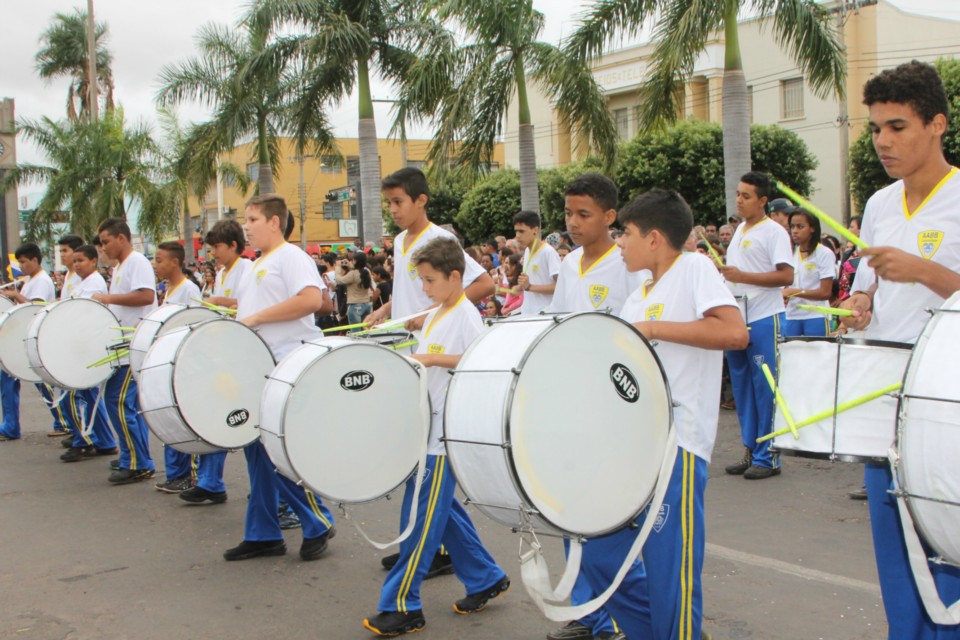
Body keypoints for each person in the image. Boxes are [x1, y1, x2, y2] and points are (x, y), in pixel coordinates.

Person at [574, 190, 747, 640]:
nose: (619, 244)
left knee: (672, 572)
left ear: (653, 238)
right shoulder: (637, 298)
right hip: (633, 447)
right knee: (599, 557)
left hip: (679, 445)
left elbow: (734, 332)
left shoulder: (694, 268)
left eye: (625, 234)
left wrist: (651, 330)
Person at [837, 60, 960, 640]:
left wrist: (926, 271)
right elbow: (869, 278)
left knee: (945, 532)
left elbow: (924, 277)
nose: (883, 141)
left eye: (898, 126)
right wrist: (861, 301)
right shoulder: (883, 204)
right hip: (883, 386)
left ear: (936, 124)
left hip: (945, 398)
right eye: (876, 128)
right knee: (892, 531)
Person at [363, 237, 509, 637]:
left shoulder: (465, 315)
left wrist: (429, 358)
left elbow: (479, 361)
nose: (423, 288)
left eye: (429, 280)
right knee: (439, 513)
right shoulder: (437, 313)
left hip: (446, 435)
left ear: (455, 277)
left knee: (421, 518)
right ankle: (485, 576)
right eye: (422, 281)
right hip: (427, 429)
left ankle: (402, 604)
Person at [365, 167, 495, 585]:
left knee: (425, 473)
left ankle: (417, 557)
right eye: (389, 203)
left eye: (399, 202)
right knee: (424, 476)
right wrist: (388, 312)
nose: (394, 210)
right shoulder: (402, 242)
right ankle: (475, 569)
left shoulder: (440, 240)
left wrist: (432, 317)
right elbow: (412, 298)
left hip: (435, 362)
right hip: (413, 359)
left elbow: (483, 284)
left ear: (421, 201)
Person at [547, 173, 641, 640]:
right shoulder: (567, 266)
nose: (573, 222)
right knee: (571, 510)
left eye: (583, 214)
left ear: (609, 216)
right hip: (575, 403)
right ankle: (589, 616)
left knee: (608, 517)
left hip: (614, 406)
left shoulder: (628, 266)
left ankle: (630, 616)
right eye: (568, 213)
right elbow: (560, 327)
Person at [223, 194, 335, 562]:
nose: (246, 227)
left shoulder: (291, 256)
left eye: (252, 219)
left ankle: (317, 520)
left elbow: (311, 301)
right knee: (256, 449)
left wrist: (256, 319)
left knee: (274, 449)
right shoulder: (257, 263)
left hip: (286, 364)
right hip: (259, 365)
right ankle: (263, 533)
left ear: (274, 221)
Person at [720, 172, 794, 480]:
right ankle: (751, 448)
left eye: (746, 195)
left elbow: (786, 277)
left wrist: (741, 276)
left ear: (762, 201)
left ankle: (769, 455)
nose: (739, 199)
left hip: (765, 317)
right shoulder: (739, 231)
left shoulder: (774, 232)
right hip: (738, 319)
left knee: (765, 388)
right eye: (738, 194)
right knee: (743, 388)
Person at [89, 219, 158, 484]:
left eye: (106, 241)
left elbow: (145, 296)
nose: (103, 247)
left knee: (118, 402)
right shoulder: (120, 267)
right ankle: (133, 455)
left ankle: (139, 462)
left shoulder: (137, 262)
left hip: (134, 344)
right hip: (122, 344)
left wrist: (107, 299)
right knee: (122, 403)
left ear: (121, 238)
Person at [58, 239, 120, 463]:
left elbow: (82, 313)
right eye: (74, 260)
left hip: (87, 345)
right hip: (81, 344)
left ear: (93, 261)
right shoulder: (81, 281)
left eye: (80, 260)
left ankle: (85, 441)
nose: (76, 264)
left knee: (75, 395)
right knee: (88, 396)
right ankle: (104, 441)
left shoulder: (93, 282)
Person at [0, 243, 67, 441]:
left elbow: (35, 307)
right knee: (10, 381)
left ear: (35, 261)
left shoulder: (42, 281)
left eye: (23, 262)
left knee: (43, 383)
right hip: (27, 336)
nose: (21, 267)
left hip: (36, 338)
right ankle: (11, 425)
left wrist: (15, 295)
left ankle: (63, 421)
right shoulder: (31, 280)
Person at [150, 241, 202, 493]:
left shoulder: (189, 290)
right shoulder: (169, 289)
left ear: (175, 262)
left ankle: (185, 475)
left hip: (184, 363)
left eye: (159, 260)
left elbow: (195, 324)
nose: (155, 264)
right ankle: (175, 473)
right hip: (168, 360)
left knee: (183, 419)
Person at [781, 208, 836, 337]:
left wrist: (794, 292)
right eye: (792, 226)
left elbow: (825, 292)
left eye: (800, 227)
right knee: (791, 354)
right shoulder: (790, 254)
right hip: (792, 315)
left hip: (816, 315)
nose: (795, 231)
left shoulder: (824, 254)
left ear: (812, 228)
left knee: (817, 355)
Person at [514, 210, 561, 315]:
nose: (517, 235)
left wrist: (530, 287)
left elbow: (560, 286)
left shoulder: (548, 252)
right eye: (516, 231)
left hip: (545, 314)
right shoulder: (527, 251)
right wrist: (520, 287)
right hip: (528, 313)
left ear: (535, 230)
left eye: (522, 231)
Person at [338, 251, 374, 328]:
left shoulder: (353, 274)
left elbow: (339, 281)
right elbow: (359, 271)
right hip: (367, 303)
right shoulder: (366, 272)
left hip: (355, 305)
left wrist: (338, 269)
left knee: (356, 332)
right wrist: (350, 266)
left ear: (355, 261)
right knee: (366, 330)